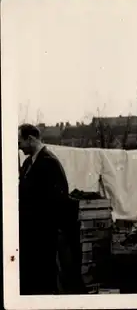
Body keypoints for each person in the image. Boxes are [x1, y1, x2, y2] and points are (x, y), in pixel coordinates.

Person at [18, 124, 79, 294]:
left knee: (45, 280)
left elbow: (59, 201)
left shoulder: (49, 163)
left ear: (30, 139)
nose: (19, 147)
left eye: (20, 142)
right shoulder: (29, 163)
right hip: (30, 233)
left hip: (43, 235)